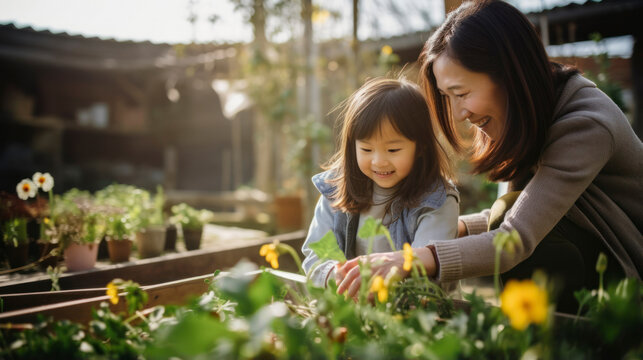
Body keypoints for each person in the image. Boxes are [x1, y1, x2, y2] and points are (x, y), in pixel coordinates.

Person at [335, 0, 642, 313]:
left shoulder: (586, 124)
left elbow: (514, 236)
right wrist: (438, 224)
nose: (457, 113)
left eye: (462, 93)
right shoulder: (526, 116)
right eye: (446, 97)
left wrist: (411, 259)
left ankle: (572, 337)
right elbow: (521, 216)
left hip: (627, 275)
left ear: (509, 73)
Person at [301, 77, 460, 289]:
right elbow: (316, 257)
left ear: (420, 146)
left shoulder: (436, 200)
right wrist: (337, 275)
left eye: (393, 150)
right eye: (366, 149)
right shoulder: (335, 191)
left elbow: (427, 275)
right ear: (352, 146)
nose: (378, 161)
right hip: (357, 312)